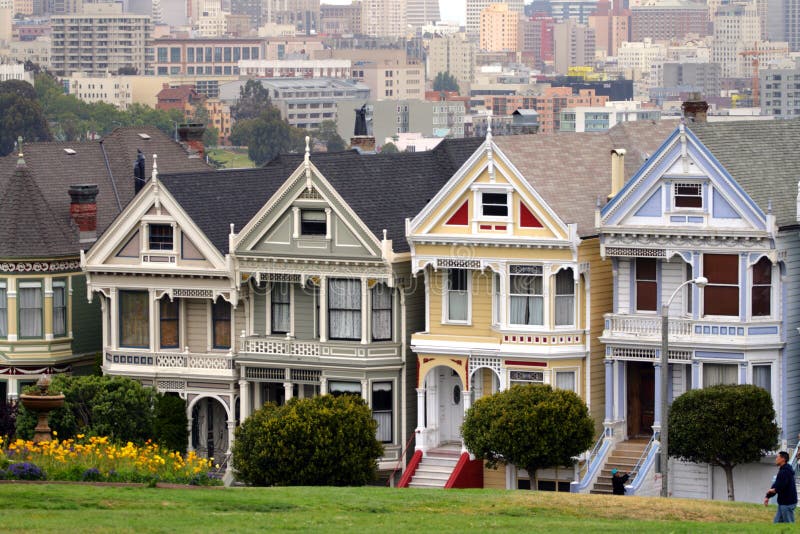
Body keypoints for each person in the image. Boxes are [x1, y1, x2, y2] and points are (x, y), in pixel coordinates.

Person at [764, 451, 798, 523]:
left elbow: (779, 487)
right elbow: (777, 484)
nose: (776, 459)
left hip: (787, 503)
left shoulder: (784, 472)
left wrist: (772, 491)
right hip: (783, 503)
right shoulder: (783, 470)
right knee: (777, 523)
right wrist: (768, 496)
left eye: (777, 457)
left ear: (783, 459)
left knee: (789, 525)